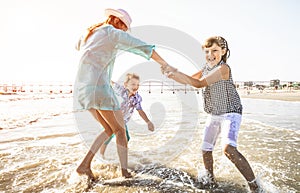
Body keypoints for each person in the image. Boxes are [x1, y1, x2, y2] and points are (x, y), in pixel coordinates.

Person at [74, 8, 169, 180]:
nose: (124, 32)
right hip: (99, 88)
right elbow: (142, 47)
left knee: (109, 129)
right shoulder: (112, 32)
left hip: (82, 89)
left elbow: (78, 47)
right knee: (120, 132)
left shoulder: (89, 33)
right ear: (117, 22)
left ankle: (84, 165)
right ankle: (125, 173)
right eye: (124, 28)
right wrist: (164, 64)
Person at [162, 36, 259, 192]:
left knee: (228, 149)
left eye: (214, 50)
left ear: (223, 51)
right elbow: (190, 79)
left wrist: (177, 74)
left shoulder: (223, 68)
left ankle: (255, 186)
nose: (210, 54)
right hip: (214, 113)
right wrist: (173, 74)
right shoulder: (206, 67)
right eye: (207, 51)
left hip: (230, 112)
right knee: (206, 150)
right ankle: (211, 181)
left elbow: (199, 83)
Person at [99, 73, 155, 158]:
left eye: (137, 84)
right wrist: (103, 76)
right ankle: (101, 155)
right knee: (108, 136)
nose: (135, 86)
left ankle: (123, 154)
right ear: (125, 85)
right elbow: (111, 83)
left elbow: (140, 110)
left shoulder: (137, 98)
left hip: (123, 121)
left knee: (126, 138)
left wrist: (148, 122)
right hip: (112, 118)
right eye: (133, 84)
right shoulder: (120, 90)